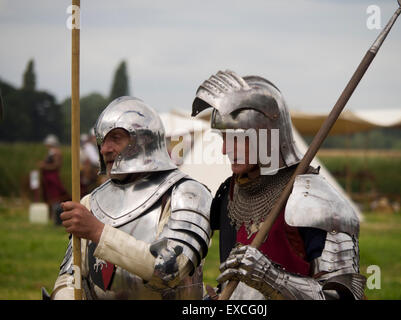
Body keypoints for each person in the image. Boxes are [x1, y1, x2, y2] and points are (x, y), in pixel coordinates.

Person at [191, 70, 366, 300]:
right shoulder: (231, 193)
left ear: (267, 137)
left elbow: (343, 296)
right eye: (224, 138)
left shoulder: (315, 200)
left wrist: (270, 277)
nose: (225, 150)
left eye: (236, 138)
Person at [50, 96, 212, 300]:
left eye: (115, 138)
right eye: (102, 139)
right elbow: (70, 274)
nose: (104, 149)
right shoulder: (91, 202)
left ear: (143, 141)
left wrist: (98, 232)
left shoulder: (187, 193)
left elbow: (169, 269)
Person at [39, 134, 70, 224]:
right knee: (50, 197)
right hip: (48, 178)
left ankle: (57, 218)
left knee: (56, 197)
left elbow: (56, 166)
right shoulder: (50, 152)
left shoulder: (56, 152)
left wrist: (44, 166)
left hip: (53, 178)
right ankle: (53, 216)